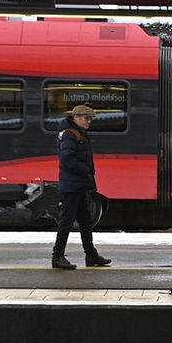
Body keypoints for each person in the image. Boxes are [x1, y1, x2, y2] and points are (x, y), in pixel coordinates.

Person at [51, 104, 111, 270]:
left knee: (85, 221)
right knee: (66, 221)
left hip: (78, 185)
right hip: (72, 185)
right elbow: (67, 160)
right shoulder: (70, 135)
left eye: (90, 119)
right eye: (86, 118)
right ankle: (57, 256)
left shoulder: (78, 133)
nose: (88, 122)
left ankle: (91, 254)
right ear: (76, 117)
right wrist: (86, 170)